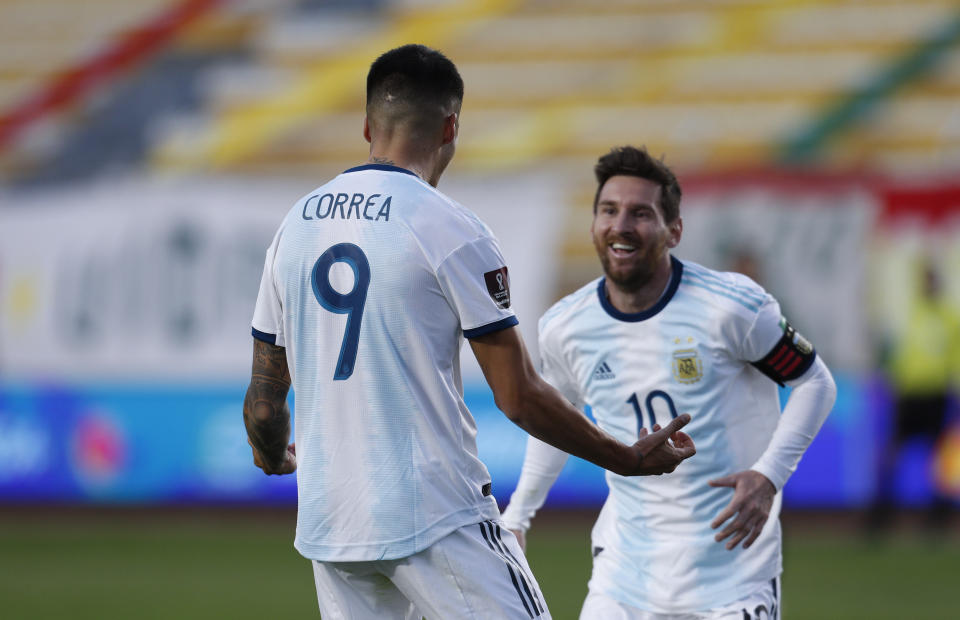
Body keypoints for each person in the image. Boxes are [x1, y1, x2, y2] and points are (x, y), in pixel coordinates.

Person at [242, 46, 696, 619]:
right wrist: (622, 457)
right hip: (434, 512)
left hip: (333, 521)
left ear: (366, 126)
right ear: (451, 125)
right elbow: (519, 394)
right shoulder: (449, 227)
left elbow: (262, 405)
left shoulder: (295, 225)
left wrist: (271, 453)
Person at [502, 146, 837, 619]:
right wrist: (517, 517)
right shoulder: (565, 325)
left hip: (732, 580)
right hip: (623, 578)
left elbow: (815, 384)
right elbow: (557, 421)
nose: (620, 225)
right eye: (609, 210)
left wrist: (768, 478)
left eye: (640, 213)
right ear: (594, 224)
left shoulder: (733, 307)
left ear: (674, 230)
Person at [867, 258, 959, 534]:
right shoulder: (909, 314)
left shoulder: (949, 318)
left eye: (932, 279)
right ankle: (881, 515)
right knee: (892, 454)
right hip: (908, 395)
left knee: (939, 458)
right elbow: (896, 353)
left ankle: (938, 515)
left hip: (937, 394)